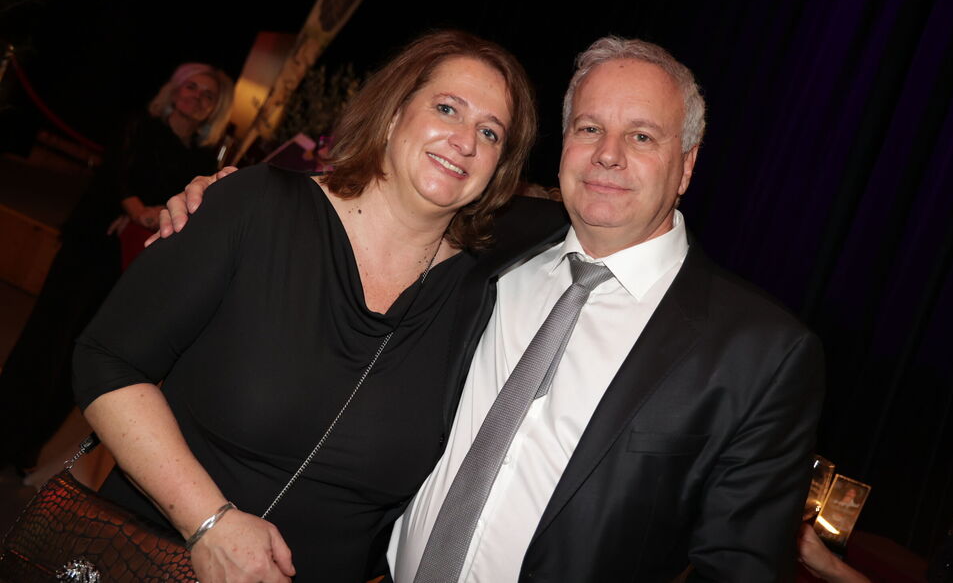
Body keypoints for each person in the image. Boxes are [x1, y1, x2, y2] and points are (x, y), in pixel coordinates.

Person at [161, 36, 824, 581]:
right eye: (589, 128)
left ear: (687, 165)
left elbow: (738, 569)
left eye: (643, 136)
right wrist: (240, 199)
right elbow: (379, 205)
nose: (608, 155)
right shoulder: (492, 241)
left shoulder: (759, 351)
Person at [72, 30, 537, 583]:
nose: (464, 141)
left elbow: (599, 204)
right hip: (155, 559)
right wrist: (208, 524)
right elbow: (107, 360)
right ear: (394, 112)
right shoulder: (256, 206)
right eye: (447, 108)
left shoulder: (483, 293)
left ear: (499, 166)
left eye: (490, 132)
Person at [0, 62, 232, 472]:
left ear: (215, 109)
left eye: (207, 95)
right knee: (46, 341)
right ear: (174, 89)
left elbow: (190, 211)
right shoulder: (139, 127)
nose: (196, 97)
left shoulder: (201, 159)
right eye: (191, 87)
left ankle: (26, 448)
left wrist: (147, 216)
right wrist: (139, 211)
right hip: (93, 248)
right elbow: (118, 178)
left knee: (85, 355)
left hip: (135, 267)